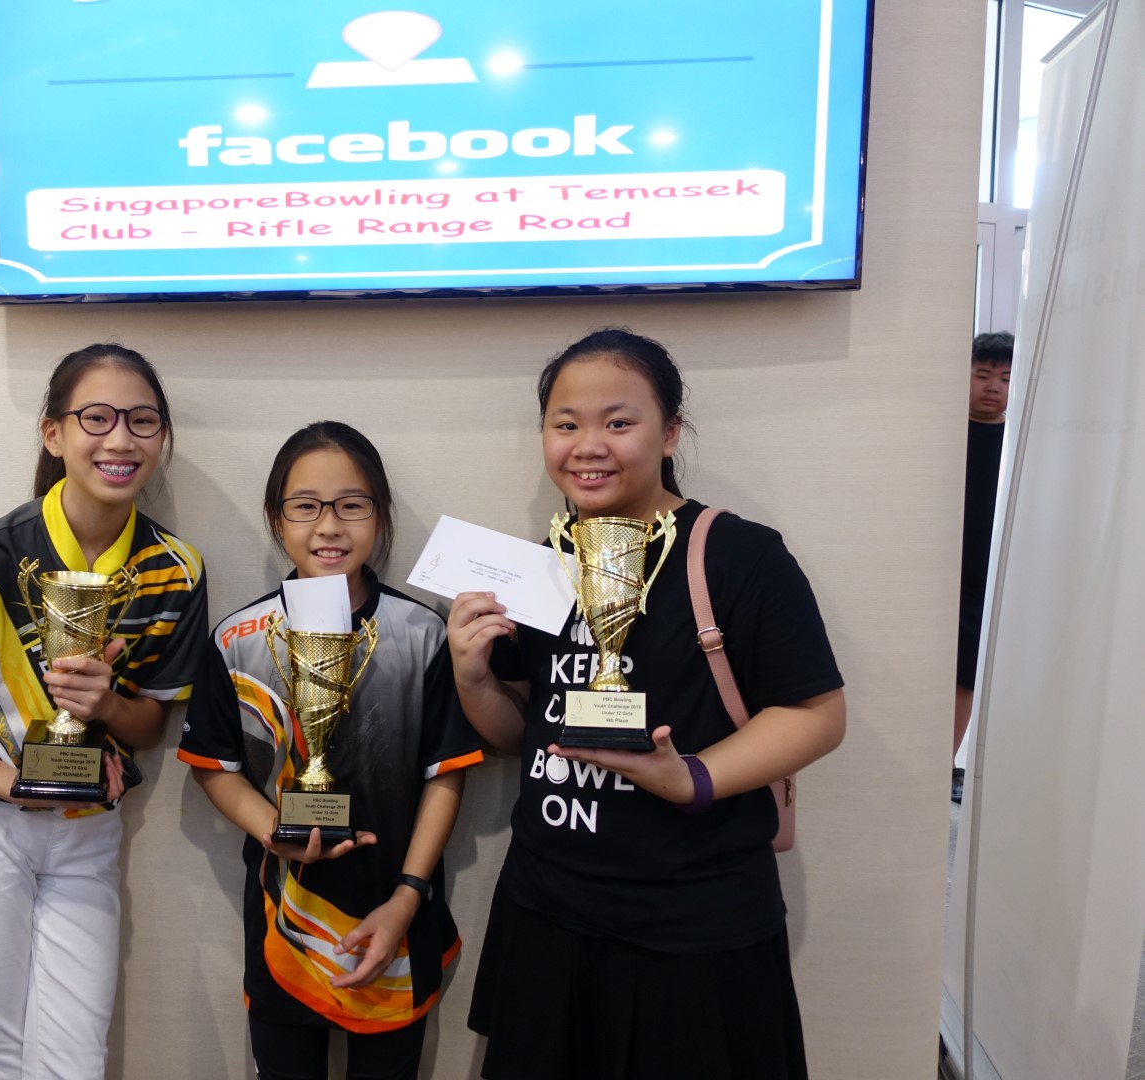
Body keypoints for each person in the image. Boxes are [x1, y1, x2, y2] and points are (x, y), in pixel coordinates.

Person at [449, 327, 846, 1079]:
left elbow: (817, 715)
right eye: (566, 424)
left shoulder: (739, 555)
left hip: (692, 923)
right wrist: (474, 679)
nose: (588, 446)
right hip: (547, 910)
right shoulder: (545, 560)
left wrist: (690, 777)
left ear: (669, 433)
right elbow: (521, 732)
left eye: (618, 422)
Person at [0, 344, 209, 1080]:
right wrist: (18, 786)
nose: (121, 439)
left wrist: (107, 704)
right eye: (98, 418)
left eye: (143, 421)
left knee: (74, 1061)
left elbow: (151, 725)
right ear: (53, 434)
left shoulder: (176, 569)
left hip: (88, 831)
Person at [179, 421, 483, 1080]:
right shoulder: (239, 638)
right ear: (276, 518)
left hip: (395, 918)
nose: (329, 525)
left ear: (381, 515)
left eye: (352, 504)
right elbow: (216, 768)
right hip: (284, 927)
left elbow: (446, 776)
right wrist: (272, 831)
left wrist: (408, 896)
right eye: (305, 506)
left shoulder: (422, 634)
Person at [955, 331, 1012, 802]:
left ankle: (944, 764)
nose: (994, 386)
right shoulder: (946, 433)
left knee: (966, 680)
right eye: (983, 374)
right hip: (940, 578)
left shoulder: (1020, 444)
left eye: (1006, 378)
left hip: (988, 582)